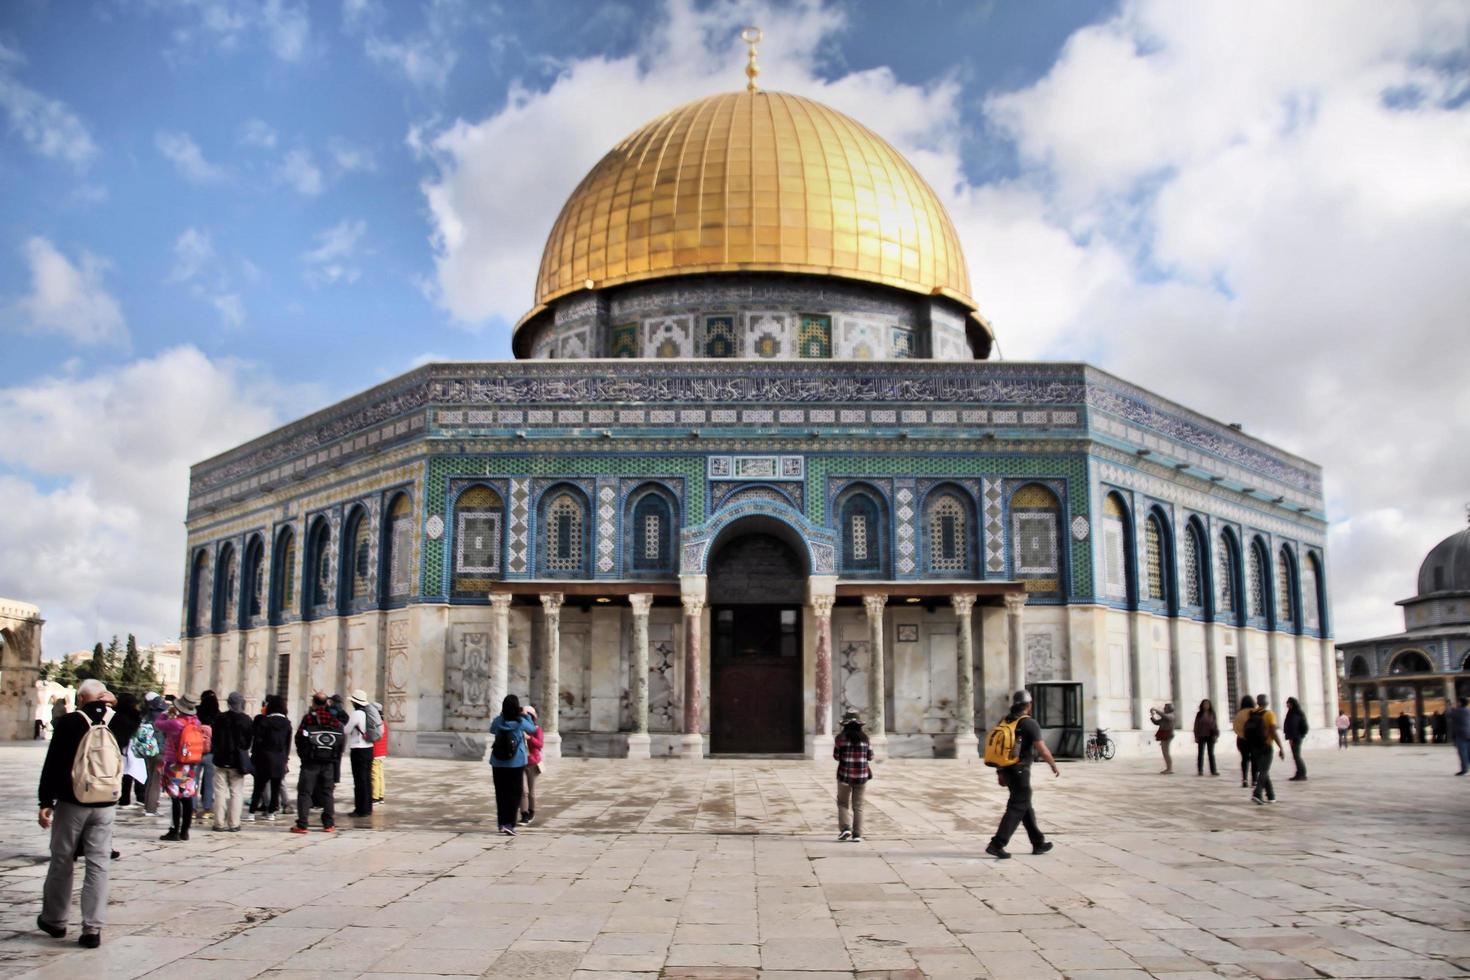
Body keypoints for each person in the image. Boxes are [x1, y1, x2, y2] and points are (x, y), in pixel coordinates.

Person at [36, 678, 119, 948]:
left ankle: (55, 921)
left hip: (74, 802)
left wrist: (46, 800)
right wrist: (114, 702)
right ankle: (92, 929)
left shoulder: (71, 722)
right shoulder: (115, 720)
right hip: (106, 803)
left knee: (63, 859)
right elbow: (132, 710)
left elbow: (54, 762)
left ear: (81, 699)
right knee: (98, 864)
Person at [986, 689, 1058, 859]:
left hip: (1007, 770)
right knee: (1017, 806)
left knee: (1024, 806)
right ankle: (997, 843)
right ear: (1028, 705)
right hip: (1020, 771)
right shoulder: (1028, 723)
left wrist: (1000, 772)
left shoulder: (1005, 720)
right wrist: (1053, 764)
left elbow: (998, 750)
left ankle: (1038, 842)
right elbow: (1042, 749)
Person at [154, 695, 205, 842]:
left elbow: (158, 724)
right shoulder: (196, 722)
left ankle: (174, 830)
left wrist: (166, 712)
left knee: (176, 797)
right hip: (189, 764)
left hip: (175, 764)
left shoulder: (175, 723)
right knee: (187, 796)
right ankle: (185, 831)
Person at [292, 693, 342, 833]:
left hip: (311, 762)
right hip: (328, 762)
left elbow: (299, 737)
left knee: (304, 792)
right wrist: (334, 756)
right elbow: (340, 739)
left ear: (314, 703)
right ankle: (328, 824)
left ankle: (302, 824)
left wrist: (304, 755)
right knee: (327, 792)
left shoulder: (308, 718)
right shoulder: (333, 720)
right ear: (326, 703)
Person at [488, 694, 536, 835]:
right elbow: (533, 729)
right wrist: (525, 715)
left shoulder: (499, 721)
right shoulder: (520, 721)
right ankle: (510, 823)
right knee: (515, 794)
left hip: (498, 762)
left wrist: (501, 716)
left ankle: (502, 823)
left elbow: (492, 730)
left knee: (501, 794)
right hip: (516, 762)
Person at [210, 692, 254, 831]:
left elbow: (214, 738)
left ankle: (218, 823)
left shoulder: (220, 718)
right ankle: (234, 823)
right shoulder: (246, 720)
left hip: (221, 760)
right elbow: (248, 742)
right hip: (237, 761)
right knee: (236, 792)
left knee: (220, 792)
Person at [249, 695, 292, 819]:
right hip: (279, 758)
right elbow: (287, 744)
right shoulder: (287, 723)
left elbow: (258, 741)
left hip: (264, 758)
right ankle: (271, 813)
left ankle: (252, 813)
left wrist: (255, 756)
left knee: (259, 787)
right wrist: (285, 759)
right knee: (276, 787)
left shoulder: (265, 721)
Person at [833, 711, 873, 842]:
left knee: (843, 803)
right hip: (861, 777)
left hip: (844, 776)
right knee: (858, 805)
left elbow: (836, 756)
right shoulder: (865, 739)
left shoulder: (840, 739)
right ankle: (857, 834)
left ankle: (845, 829)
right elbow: (870, 757)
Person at [1245, 694, 1285, 805]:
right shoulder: (1269, 714)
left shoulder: (1252, 714)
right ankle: (1257, 793)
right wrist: (1280, 747)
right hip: (1266, 745)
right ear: (1267, 702)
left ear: (1258, 702)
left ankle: (1271, 795)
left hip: (1255, 746)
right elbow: (1273, 731)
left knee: (1263, 769)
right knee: (1264, 770)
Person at [343, 690, 375, 818]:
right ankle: (368, 807)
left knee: (359, 780)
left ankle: (360, 809)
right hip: (369, 748)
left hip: (358, 749)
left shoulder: (356, 714)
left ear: (355, 702)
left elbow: (346, 730)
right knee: (367, 779)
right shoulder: (369, 713)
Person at [109, 694, 143, 808]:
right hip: (127, 748)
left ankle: (112, 796)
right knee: (127, 774)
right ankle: (124, 799)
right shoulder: (134, 715)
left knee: (114, 773)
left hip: (113, 746)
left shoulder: (113, 714)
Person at [195, 690, 220, 818]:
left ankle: (192, 808)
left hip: (195, 751)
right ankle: (207, 808)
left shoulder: (196, 712)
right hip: (211, 753)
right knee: (209, 782)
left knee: (193, 780)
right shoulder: (218, 715)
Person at [140, 694, 165, 817]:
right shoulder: (164, 718)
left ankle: (146, 805)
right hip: (160, 751)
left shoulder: (147, 716)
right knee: (156, 780)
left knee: (149, 778)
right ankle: (151, 808)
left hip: (148, 751)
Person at [520, 705, 542, 825]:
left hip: (533, 763)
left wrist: (529, 738)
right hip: (520, 762)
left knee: (531, 790)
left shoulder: (537, 729)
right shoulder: (519, 727)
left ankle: (531, 811)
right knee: (523, 790)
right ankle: (524, 814)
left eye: (528, 716)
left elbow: (540, 744)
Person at [1232, 695, 1257, 788]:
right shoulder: (1255, 712)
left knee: (1244, 759)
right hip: (1254, 739)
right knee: (1254, 759)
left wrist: (1242, 735)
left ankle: (1245, 779)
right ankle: (1254, 780)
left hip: (1242, 740)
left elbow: (1235, 728)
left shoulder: (1239, 714)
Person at [1283, 696, 1309, 781]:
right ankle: (1299, 773)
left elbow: (1293, 726)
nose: (1287, 704)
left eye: (1288, 703)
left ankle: (1302, 774)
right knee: (1295, 756)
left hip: (1296, 738)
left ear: (1292, 704)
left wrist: (1292, 738)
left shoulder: (1295, 713)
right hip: (1295, 737)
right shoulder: (1292, 712)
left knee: (1297, 756)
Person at [1192, 699, 1219, 776]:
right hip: (1201, 735)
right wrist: (1196, 736)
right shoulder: (1199, 714)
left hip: (1210, 735)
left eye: (1207, 704)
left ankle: (1213, 770)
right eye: (1205, 704)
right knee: (1201, 753)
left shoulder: (1212, 713)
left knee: (1211, 753)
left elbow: (1215, 724)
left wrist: (1216, 735)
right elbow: (1196, 725)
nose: (1206, 705)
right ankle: (1200, 770)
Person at [371, 701, 389, 808]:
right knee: (380, 775)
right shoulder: (383, 723)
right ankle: (381, 796)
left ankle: (375, 796)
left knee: (374, 775)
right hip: (382, 753)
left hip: (376, 752)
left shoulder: (376, 723)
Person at [1149, 703, 1176, 774]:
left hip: (1168, 735)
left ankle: (1169, 768)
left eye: (1166, 707)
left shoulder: (1171, 715)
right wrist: (1152, 716)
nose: (1164, 708)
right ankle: (1168, 768)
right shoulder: (1164, 717)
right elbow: (1156, 722)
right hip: (1163, 734)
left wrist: (1156, 710)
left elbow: (1165, 716)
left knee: (1166, 752)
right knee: (1164, 752)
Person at [1447, 697, 1470, 775]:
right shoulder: (1468, 710)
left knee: (1463, 753)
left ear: (1460, 703)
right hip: (1468, 734)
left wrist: (1450, 706)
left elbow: (1448, 715)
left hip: (1461, 735)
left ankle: (1464, 769)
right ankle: (1466, 767)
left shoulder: (1458, 711)